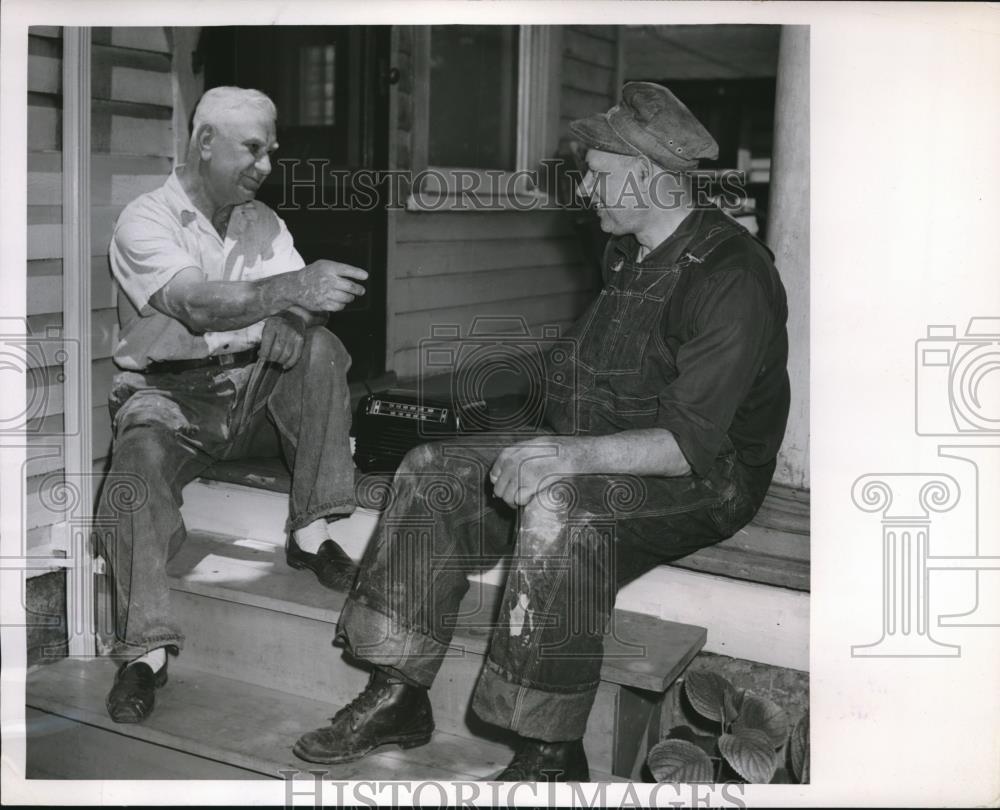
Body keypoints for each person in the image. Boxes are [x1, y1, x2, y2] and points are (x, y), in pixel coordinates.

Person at [292, 81, 791, 781]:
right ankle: (397, 690)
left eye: (599, 173)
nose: (584, 187)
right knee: (431, 467)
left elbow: (688, 445)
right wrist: (542, 432)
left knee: (562, 507)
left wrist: (565, 455)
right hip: (607, 441)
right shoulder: (627, 250)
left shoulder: (734, 276)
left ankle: (550, 752)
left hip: (704, 476)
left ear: (649, 175)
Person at [99, 86, 368, 724]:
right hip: (171, 394)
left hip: (251, 388)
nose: (266, 166)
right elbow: (194, 303)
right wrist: (291, 291)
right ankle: (146, 656)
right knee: (133, 476)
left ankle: (311, 530)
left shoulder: (262, 222)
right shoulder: (146, 220)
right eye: (253, 149)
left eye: (271, 151)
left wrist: (297, 320)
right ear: (204, 142)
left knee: (321, 347)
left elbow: (301, 303)